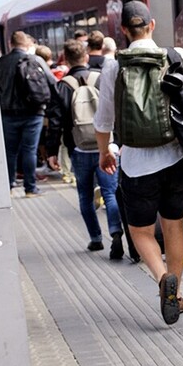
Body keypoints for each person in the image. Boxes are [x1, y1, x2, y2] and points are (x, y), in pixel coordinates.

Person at [95, 0, 183, 323]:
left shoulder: (112, 67)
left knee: (141, 232)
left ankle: (163, 278)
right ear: (152, 26)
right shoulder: (177, 56)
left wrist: (104, 152)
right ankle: (175, 296)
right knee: (173, 225)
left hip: (136, 165)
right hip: (176, 158)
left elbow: (103, 121)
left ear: (123, 30)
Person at [55, 39, 123, 259]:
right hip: (105, 146)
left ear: (66, 59)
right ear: (85, 57)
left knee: (85, 196)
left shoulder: (63, 85)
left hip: (79, 149)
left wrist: (54, 148)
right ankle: (116, 233)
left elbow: (59, 121)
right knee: (110, 193)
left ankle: (95, 239)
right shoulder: (100, 78)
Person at [0, 30, 59, 197]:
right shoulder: (36, 60)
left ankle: (9, 186)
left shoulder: (1, 63)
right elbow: (53, 83)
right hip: (34, 113)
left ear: (11, 44)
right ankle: (30, 188)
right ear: (27, 45)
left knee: (10, 151)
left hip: (8, 113)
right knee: (29, 150)